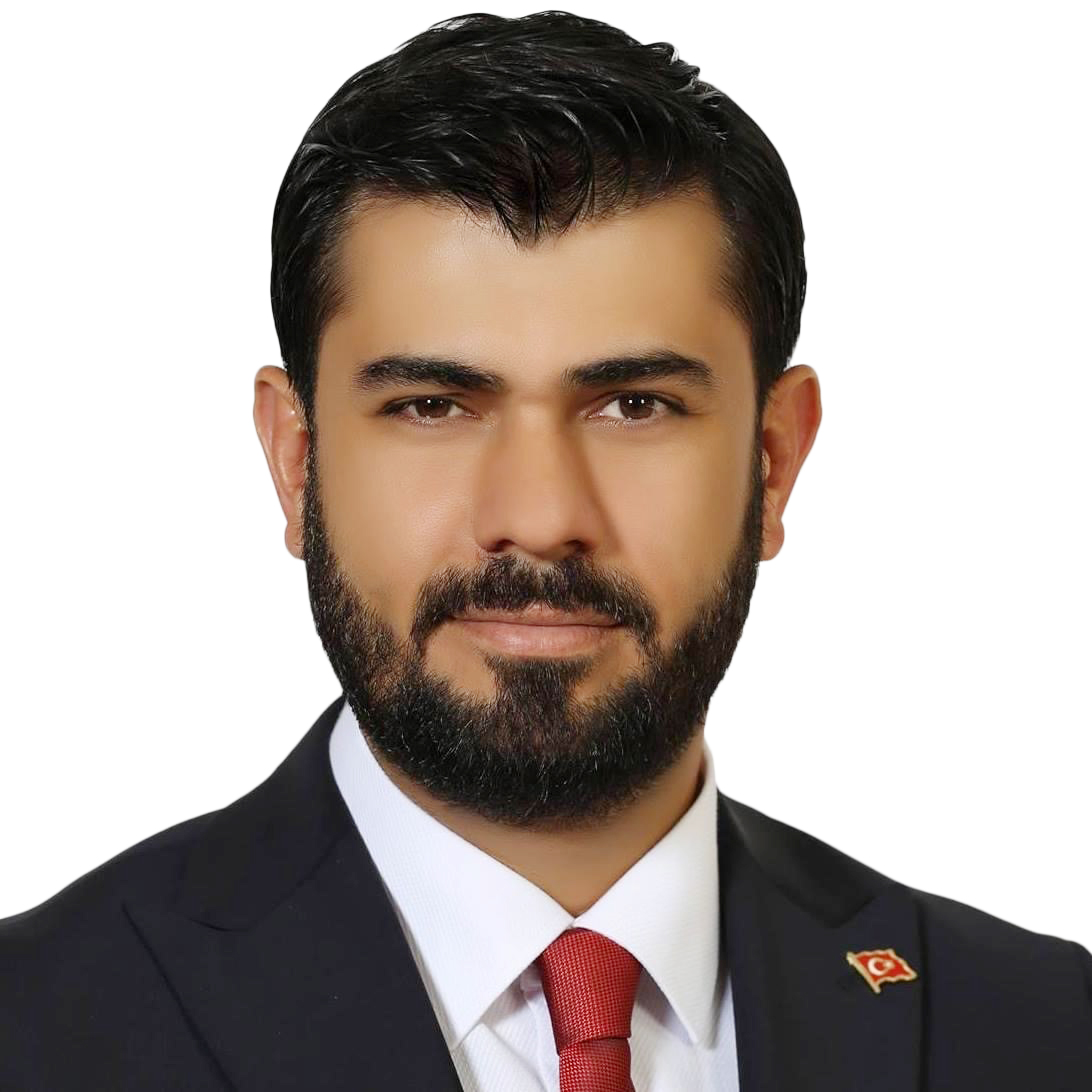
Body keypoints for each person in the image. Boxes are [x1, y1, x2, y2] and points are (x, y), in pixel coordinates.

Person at [1, 10, 1088, 1090]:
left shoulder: (1045, 1029)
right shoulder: (33, 1027)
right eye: (432, 406)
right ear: (296, 460)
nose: (536, 515)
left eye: (634, 405)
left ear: (772, 462)